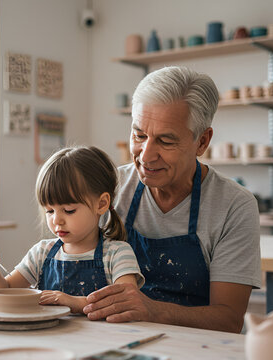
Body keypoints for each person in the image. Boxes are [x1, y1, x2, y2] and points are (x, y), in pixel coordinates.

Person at [83, 66, 261, 333]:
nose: (146, 155)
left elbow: (229, 320)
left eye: (166, 141)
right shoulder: (108, 190)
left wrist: (152, 310)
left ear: (202, 141)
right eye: (139, 135)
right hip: (113, 339)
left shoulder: (234, 206)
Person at [0, 146, 145, 314]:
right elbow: (4, 292)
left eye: (69, 211)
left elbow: (124, 302)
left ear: (101, 204)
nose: (56, 220)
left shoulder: (118, 254)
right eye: (49, 211)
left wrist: (74, 302)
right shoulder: (41, 253)